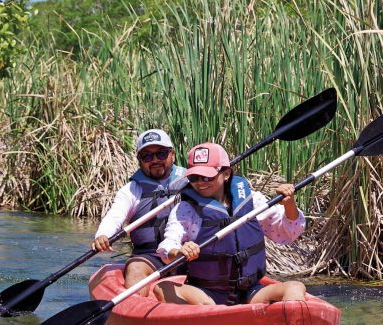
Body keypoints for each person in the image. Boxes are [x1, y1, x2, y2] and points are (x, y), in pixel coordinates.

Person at [154, 142, 307, 306]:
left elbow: (289, 232)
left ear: (226, 174)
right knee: (161, 288)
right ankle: (203, 322)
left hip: (249, 292)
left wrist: (289, 204)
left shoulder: (252, 201)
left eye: (207, 177)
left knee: (296, 287)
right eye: (193, 177)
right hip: (206, 295)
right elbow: (167, 247)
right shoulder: (186, 209)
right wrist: (179, 252)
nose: (200, 182)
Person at [91, 128, 186, 291]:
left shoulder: (192, 182)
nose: (155, 160)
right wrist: (103, 235)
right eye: (147, 156)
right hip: (149, 257)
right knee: (135, 268)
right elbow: (115, 215)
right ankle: (135, 307)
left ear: (173, 154)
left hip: (186, 253)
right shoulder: (132, 190)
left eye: (161, 153)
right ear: (139, 160)